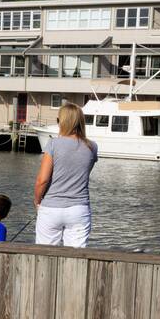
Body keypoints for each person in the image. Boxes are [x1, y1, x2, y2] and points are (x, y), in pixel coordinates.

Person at [33, 102, 97, 246]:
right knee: (76, 258)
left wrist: (37, 201)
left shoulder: (53, 144)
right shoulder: (92, 147)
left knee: (44, 255)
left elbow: (42, 180)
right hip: (79, 208)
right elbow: (84, 172)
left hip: (51, 207)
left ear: (62, 122)